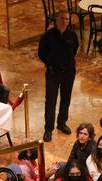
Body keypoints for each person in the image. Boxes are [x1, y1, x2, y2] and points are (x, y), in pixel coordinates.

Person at [38, 11, 79, 142]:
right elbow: (41, 53)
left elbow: (75, 50)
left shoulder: (72, 35)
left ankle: (61, 123)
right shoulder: (48, 36)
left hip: (69, 72)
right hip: (53, 73)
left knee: (66, 98)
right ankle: (48, 128)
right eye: (62, 19)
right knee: (50, 101)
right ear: (56, 20)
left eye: (67, 19)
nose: (65, 22)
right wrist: (50, 63)